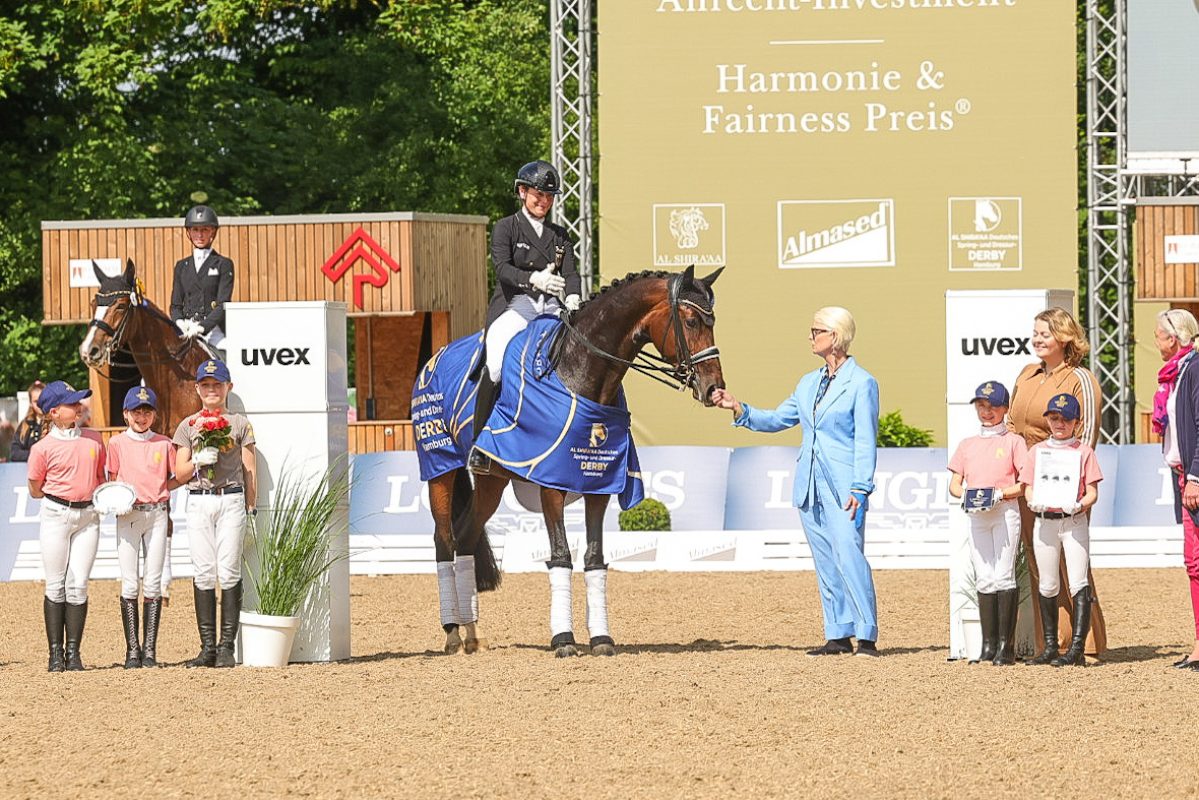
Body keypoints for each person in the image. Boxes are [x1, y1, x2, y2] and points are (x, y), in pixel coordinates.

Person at [713, 307, 881, 657]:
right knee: (824, 560)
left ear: (834, 337)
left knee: (849, 554)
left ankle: (866, 635)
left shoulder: (862, 383)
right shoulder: (807, 383)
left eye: (816, 331)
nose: (810, 336)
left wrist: (860, 487)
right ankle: (837, 634)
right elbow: (776, 419)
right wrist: (738, 407)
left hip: (844, 486)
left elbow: (866, 439)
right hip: (810, 485)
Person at [468, 160, 582, 474]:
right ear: (522, 192)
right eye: (537, 195)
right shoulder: (506, 227)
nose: (543, 201)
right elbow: (502, 269)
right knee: (494, 365)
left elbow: (571, 274)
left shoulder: (560, 235)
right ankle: (481, 445)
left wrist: (572, 297)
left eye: (548, 197)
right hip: (516, 306)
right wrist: (533, 280)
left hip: (550, 307)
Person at [1007, 306, 1107, 659]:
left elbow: (1089, 432)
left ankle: (1086, 642)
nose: (1037, 339)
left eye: (1044, 333)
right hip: (1029, 482)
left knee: (1073, 563)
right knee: (1038, 561)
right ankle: (1048, 643)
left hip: (1066, 484)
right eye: (1035, 333)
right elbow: (1010, 424)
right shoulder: (1026, 374)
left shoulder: (1079, 379)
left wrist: (1075, 488)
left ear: (1064, 338)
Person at [173, 359, 257, 668]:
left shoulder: (239, 423)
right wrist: (197, 460)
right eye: (206, 386)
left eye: (217, 385)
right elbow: (179, 472)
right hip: (199, 498)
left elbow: (249, 467)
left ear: (227, 388)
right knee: (204, 571)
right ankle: (207, 646)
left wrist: (252, 505)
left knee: (229, 570)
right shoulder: (188, 425)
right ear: (197, 389)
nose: (211, 390)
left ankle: (226, 646)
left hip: (230, 498)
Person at [25, 381, 106, 672]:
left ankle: (74, 652)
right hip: (57, 513)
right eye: (72, 404)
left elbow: (101, 478)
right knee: (56, 582)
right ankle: (55, 653)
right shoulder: (42, 448)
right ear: (54, 412)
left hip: (88, 516)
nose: (79, 407)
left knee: (79, 583)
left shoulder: (94, 440)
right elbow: (35, 488)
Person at [948, 381, 1028, 665]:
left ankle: (1005, 647)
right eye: (982, 406)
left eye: (993, 406)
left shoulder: (1013, 442)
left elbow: (1023, 483)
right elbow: (954, 485)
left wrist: (999, 494)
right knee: (984, 574)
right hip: (977, 515)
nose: (987, 411)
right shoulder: (967, 445)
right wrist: (970, 495)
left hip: (1004, 511)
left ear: (1005, 408)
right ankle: (988, 644)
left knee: (1003, 573)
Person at [1020, 393, 1103, 667]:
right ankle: (1050, 646)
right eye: (1054, 417)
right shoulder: (1037, 452)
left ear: (1076, 422)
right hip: (1045, 521)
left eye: (1066, 419)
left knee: (1078, 581)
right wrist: (1032, 499)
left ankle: (1077, 647)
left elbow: (1092, 492)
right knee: (1047, 582)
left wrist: (1079, 504)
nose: (1059, 423)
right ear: (1048, 419)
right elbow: (1028, 485)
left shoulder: (1083, 452)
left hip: (1073, 521)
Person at [106, 386, 179, 668]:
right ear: (126, 414)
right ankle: (132, 649)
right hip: (129, 516)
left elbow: (174, 477)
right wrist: (116, 501)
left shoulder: (164, 444)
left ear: (154, 415)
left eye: (147, 411)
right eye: (136, 411)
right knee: (129, 580)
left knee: (153, 578)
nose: (141, 417)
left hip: (157, 513)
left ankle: (149, 649)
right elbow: (113, 480)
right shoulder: (116, 444)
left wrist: (163, 489)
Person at [1153, 308, 1199, 670]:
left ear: (1175, 337)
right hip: (1180, 474)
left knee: (1196, 562)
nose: (1155, 340)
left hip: (1193, 477)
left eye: (1158, 334)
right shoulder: (1175, 374)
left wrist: (1196, 476)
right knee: (1193, 562)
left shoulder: (1194, 369)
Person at [170, 205, 234, 349]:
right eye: (195, 230)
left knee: (229, 357)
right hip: (186, 329)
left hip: (213, 332)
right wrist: (180, 322)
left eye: (205, 229)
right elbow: (175, 305)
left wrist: (201, 328)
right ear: (189, 232)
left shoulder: (223, 264)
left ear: (213, 231)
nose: (200, 235)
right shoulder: (181, 266)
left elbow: (222, 305)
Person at [9, 379, 46, 462]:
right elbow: (14, 453)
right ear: (31, 403)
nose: (40, 405)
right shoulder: (25, 425)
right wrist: (34, 455)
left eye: (43, 400)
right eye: (36, 402)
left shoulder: (56, 424)